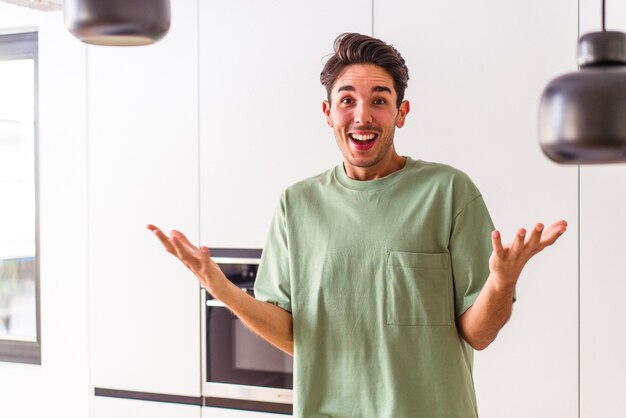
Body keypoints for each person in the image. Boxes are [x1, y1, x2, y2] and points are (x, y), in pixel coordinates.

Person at [148, 33, 567, 417]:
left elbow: (479, 334)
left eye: (379, 101)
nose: (362, 116)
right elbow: (294, 335)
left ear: (401, 113)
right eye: (347, 100)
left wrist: (502, 281)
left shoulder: (448, 192)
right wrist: (219, 286)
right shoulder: (297, 204)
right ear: (329, 113)